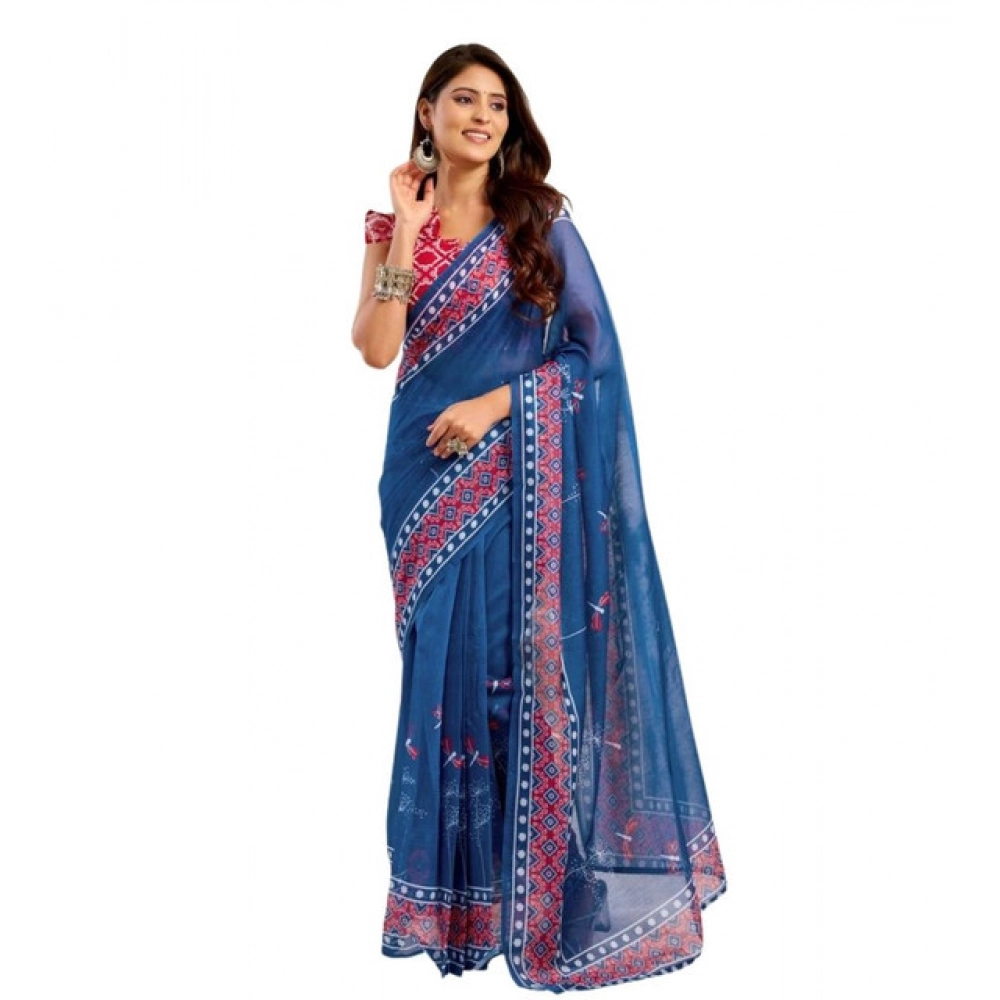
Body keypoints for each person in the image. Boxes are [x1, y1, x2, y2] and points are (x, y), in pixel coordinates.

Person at [351, 43, 726, 992]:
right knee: (440, 685)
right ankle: (458, 907)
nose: (482, 116)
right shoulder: (392, 224)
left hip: (515, 479)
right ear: (428, 112)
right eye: (464, 100)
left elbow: (591, 359)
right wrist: (407, 232)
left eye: (497, 105)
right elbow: (376, 348)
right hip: (422, 489)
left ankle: (547, 899)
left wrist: (496, 406)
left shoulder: (540, 222)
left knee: (523, 677)